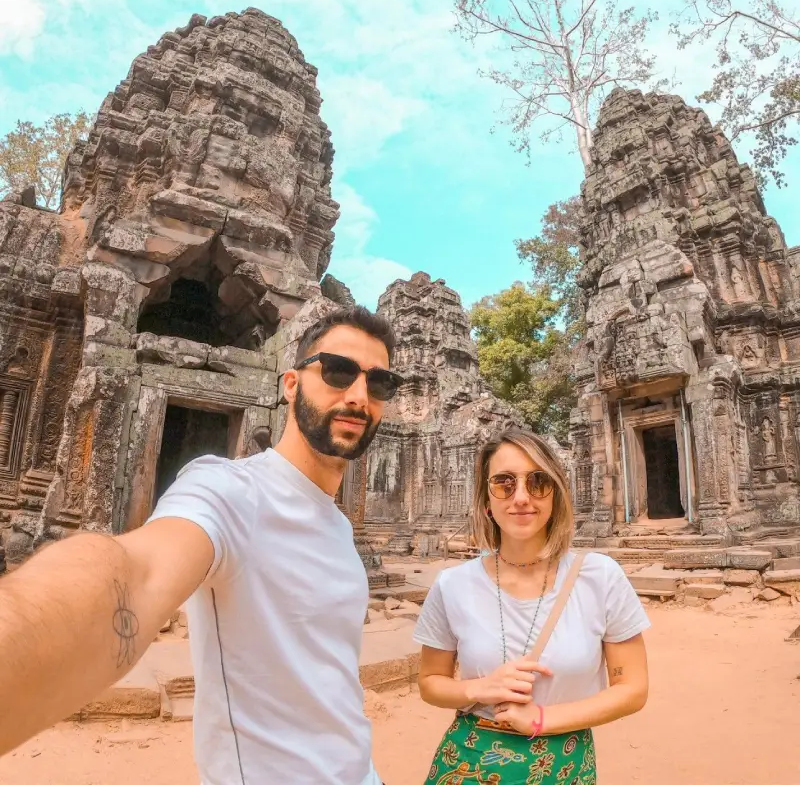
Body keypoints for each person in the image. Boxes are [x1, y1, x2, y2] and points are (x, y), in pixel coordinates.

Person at [0, 306, 403, 785]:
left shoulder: (338, 526)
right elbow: (137, 573)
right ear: (291, 384)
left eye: (379, 384)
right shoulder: (228, 490)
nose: (359, 395)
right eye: (338, 372)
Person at [414, 429, 650, 784]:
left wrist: (540, 720)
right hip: (470, 763)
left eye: (537, 481)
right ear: (486, 502)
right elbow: (430, 682)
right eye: (504, 483)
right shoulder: (453, 585)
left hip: (564, 765)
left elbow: (633, 689)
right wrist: (477, 689)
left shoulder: (601, 577)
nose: (521, 497)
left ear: (555, 494)